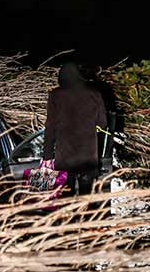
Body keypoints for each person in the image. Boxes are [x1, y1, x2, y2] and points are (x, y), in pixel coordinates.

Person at [42, 62, 108, 195]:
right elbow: (103, 123)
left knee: (66, 197)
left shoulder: (56, 95)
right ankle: (85, 215)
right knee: (86, 196)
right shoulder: (94, 93)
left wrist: (47, 155)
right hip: (88, 156)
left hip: (65, 156)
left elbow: (50, 127)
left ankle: (68, 215)